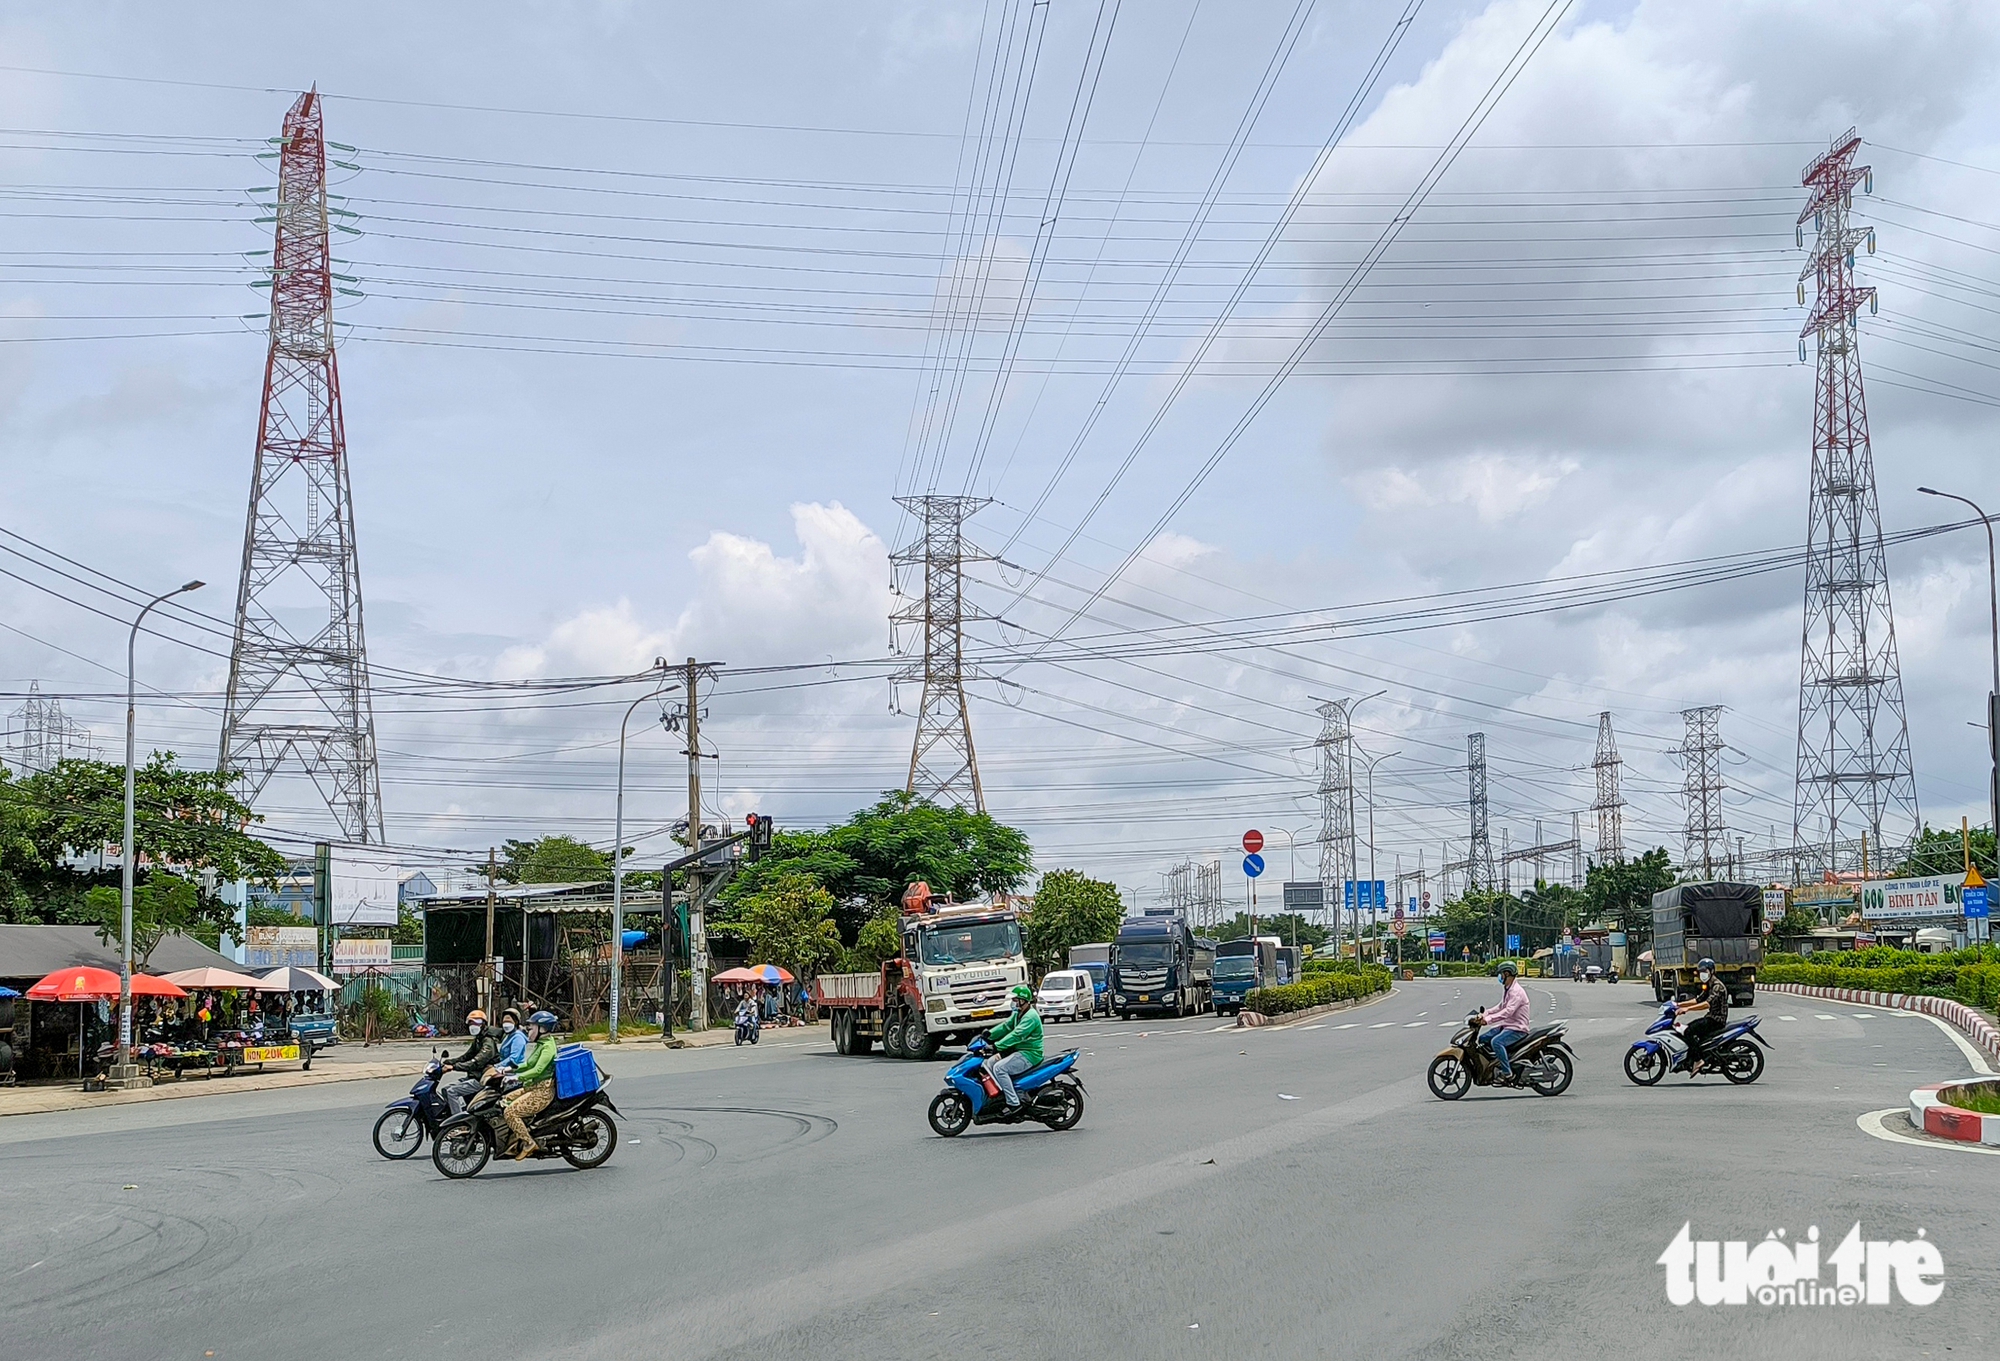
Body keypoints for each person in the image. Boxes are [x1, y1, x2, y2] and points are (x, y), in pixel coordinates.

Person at [500, 1011, 561, 1160]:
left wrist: (516, 1078)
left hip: (543, 1091)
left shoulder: (547, 1047)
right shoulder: (541, 1044)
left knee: (510, 1112)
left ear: (542, 1029)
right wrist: (510, 1069)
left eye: (531, 1027)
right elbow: (529, 1064)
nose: (528, 1030)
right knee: (503, 1100)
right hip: (533, 1086)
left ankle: (529, 1142)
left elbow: (537, 1070)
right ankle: (517, 1137)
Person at [984, 984, 1043, 1113]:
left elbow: (1016, 1035)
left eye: (1016, 1000)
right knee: (989, 1063)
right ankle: (1003, 1095)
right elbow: (1006, 1026)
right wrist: (989, 1034)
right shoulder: (1018, 1013)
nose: (1013, 1003)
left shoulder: (1030, 1017)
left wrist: (996, 1046)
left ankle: (1014, 1103)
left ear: (1023, 1001)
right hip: (1018, 1051)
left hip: (1029, 1054)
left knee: (999, 1068)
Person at [1476, 961, 1531, 1085]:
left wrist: (1488, 1020)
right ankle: (1495, 1064)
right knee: (1483, 1038)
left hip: (1517, 1028)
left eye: (1501, 974)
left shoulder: (1516, 991)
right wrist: (1484, 1014)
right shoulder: (1508, 989)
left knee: (1496, 1042)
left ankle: (1508, 1073)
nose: (1499, 977)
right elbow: (1501, 1006)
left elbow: (1507, 1012)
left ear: (1507, 974)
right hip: (1507, 1026)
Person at [440, 1009, 499, 1115]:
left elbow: (476, 1062)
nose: (473, 1025)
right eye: (471, 1023)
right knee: (445, 1089)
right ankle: (451, 1114)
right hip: (473, 1076)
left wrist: (454, 1067)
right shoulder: (478, 1040)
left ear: (483, 1024)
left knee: (451, 1092)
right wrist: (449, 1062)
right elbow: (466, 1057)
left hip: (481, 1079)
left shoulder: (488, 1042)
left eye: (477, 1023)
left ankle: (457, 1122)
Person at [1677, 959, 1730, 1073]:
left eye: (1704, 971)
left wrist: (1687, 1009)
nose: (1702, 974)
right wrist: (1678, 1004)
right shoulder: (1709, 984)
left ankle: (1698, 1060)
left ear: (1711, 971)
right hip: (1710, 1017)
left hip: (1716, 1020)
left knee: (1688, 1031)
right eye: (1700, 971)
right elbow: (1698, 999)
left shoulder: (1717, 986)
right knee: (1688, 1029)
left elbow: (1706, 1004)